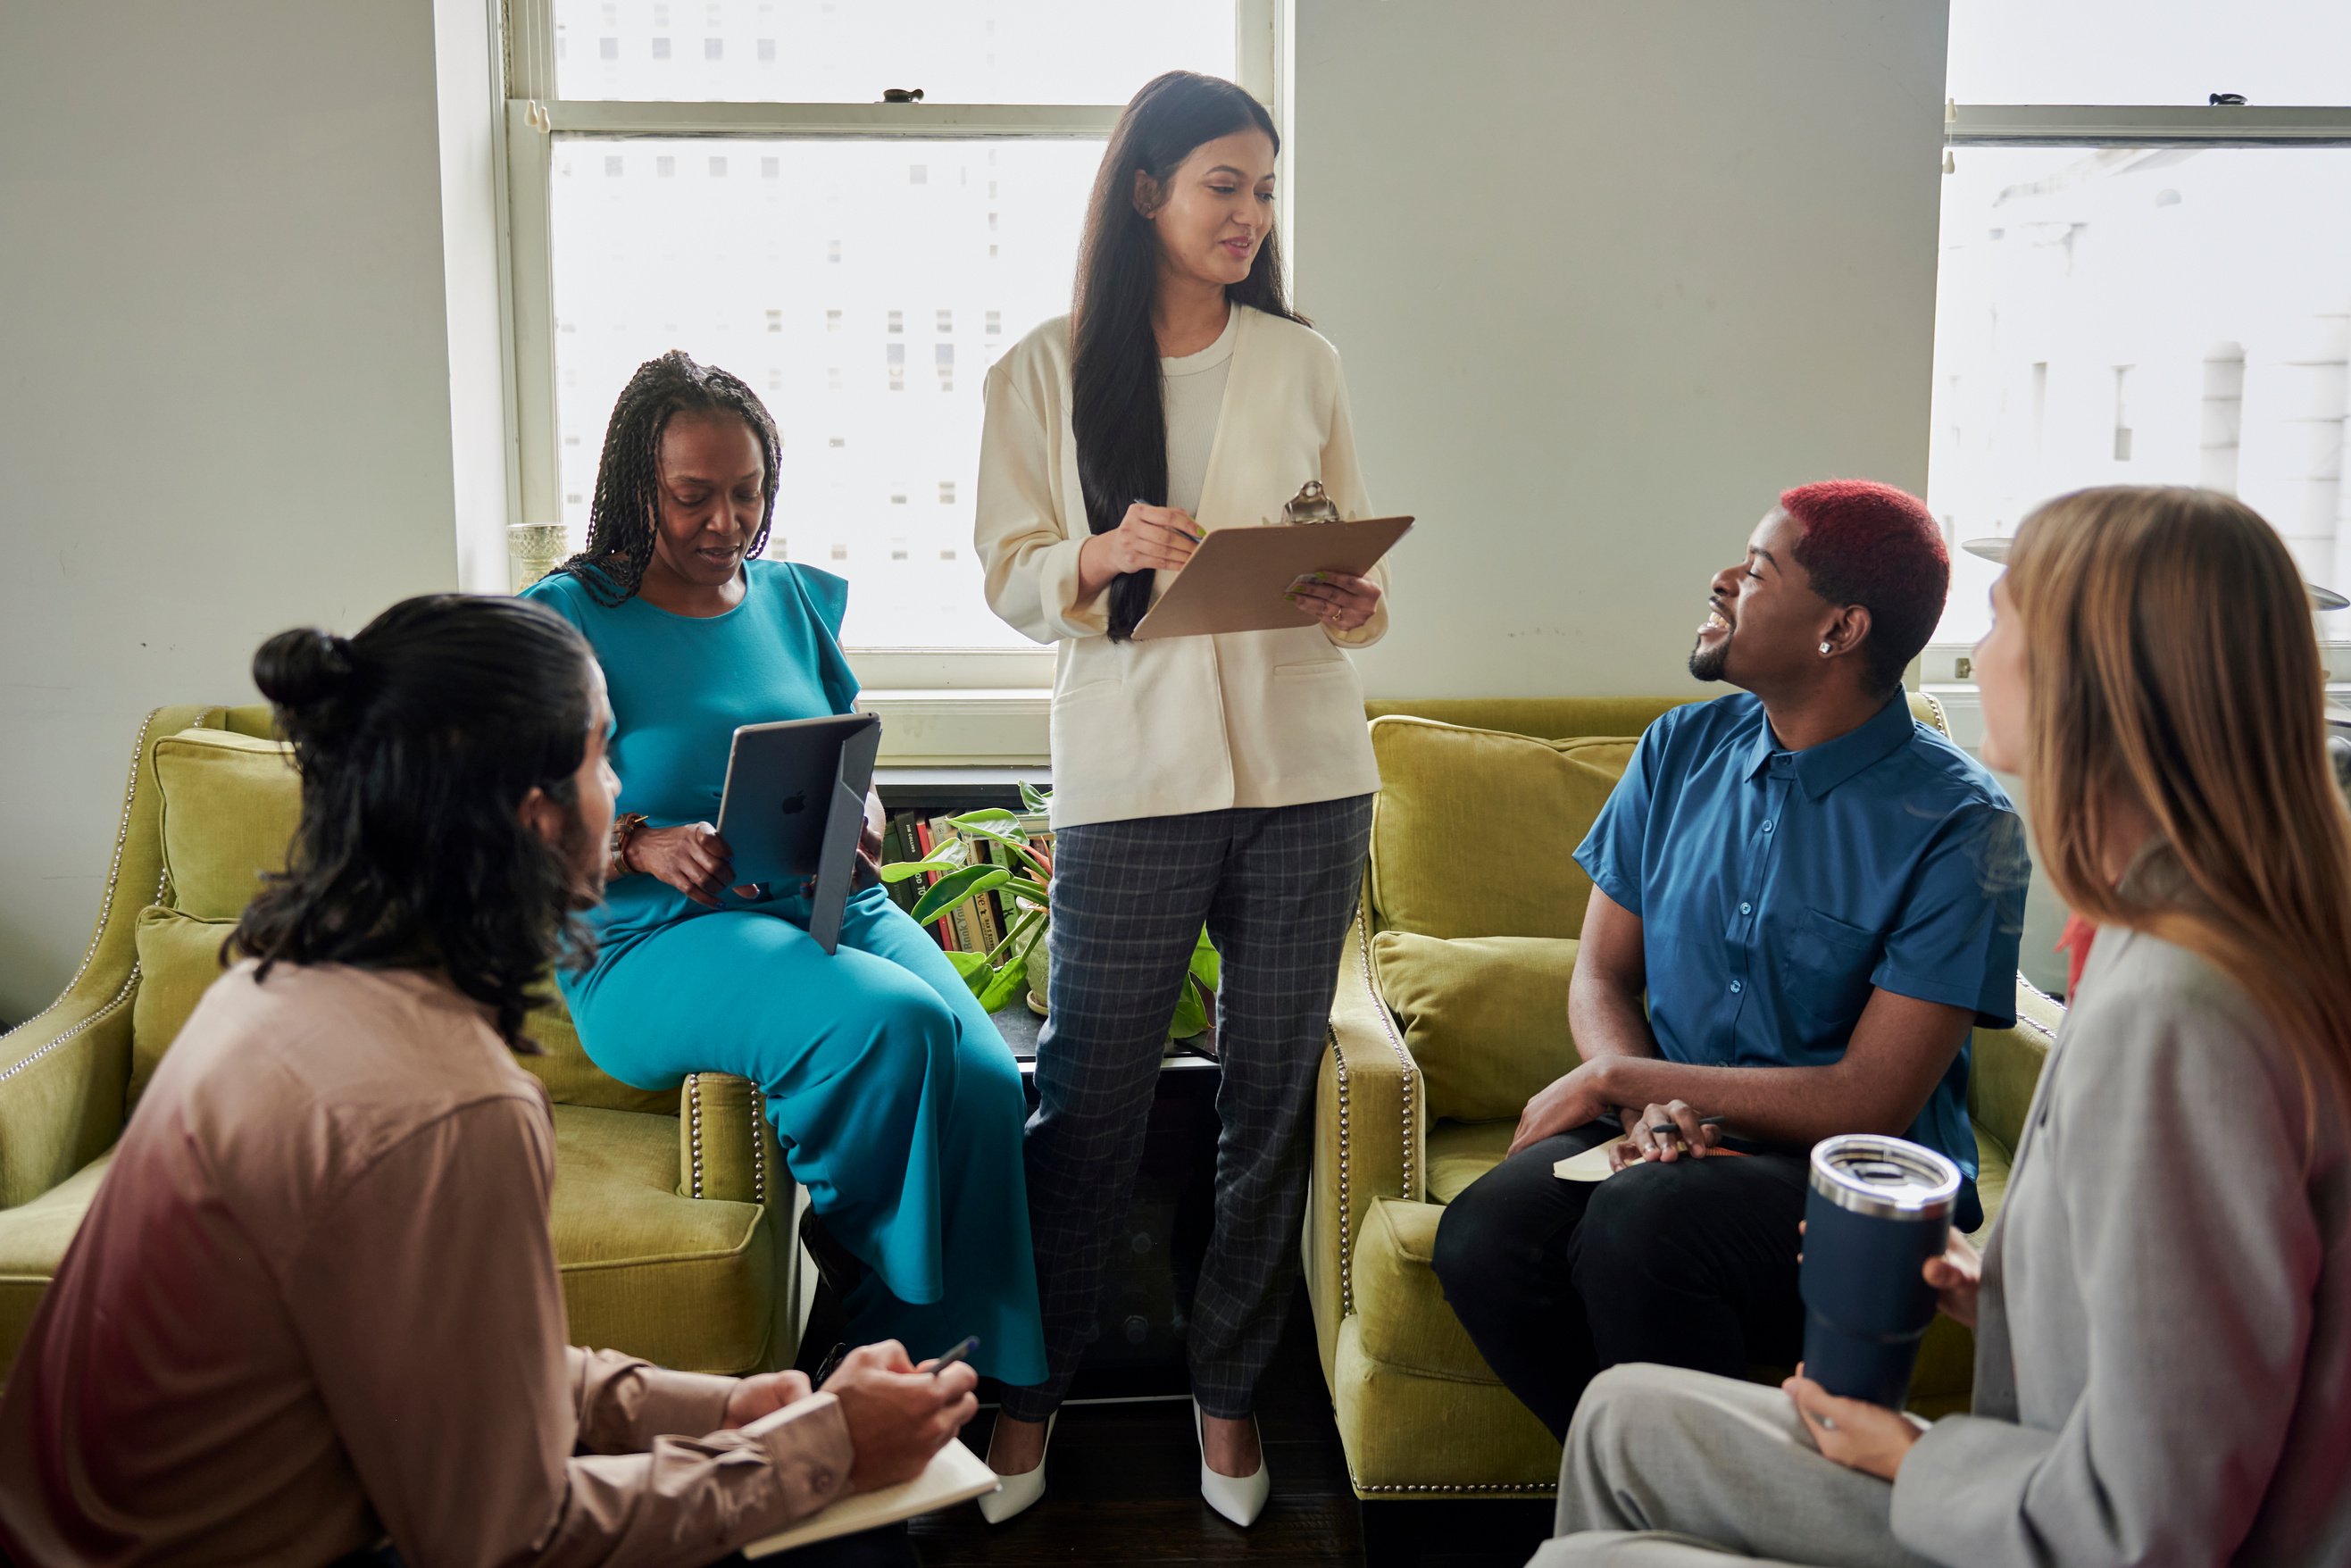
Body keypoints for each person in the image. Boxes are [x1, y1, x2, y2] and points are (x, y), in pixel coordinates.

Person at [0, 595, 977, 1567]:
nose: (620, 783)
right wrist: (824, 1444)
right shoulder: (450, 1109)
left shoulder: (278, 975)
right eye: (603, 754)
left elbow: (447, 1359)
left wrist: (720, 1406)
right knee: (855, 1544)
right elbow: (503, 1537)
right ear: (535, 818)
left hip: (77, 1530)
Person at [1533, 485, 2351, 1567]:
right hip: (2047, 1484)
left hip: (2067, 1521)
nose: (1975, 647)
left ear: (2098, 678)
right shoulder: (2154, 937)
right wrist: (1998, 1292)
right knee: (1618, 1417)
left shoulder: (2177, 1012)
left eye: (2004, 619)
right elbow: (2184, 1319)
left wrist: (1909, 1458)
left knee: (1582, 1561)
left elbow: (2153, 1523)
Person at [970, 70, 1388, 1526]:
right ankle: (1028, 1392)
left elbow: (1348, 580)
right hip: (1132, 780)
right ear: (1145, 191)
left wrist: (1347, 596)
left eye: (1264, 190)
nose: (1248, 214)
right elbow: (1011, 572)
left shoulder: (1303, 360)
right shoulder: (1041, 367)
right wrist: (1097, 554)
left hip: (1306, 774)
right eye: (1223, 184)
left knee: (1266, 1102)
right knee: (1085, 1102)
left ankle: (1227, 1390)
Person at [1430, 480, 2027, 1439]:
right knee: (1483, 1236)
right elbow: (1600, 973)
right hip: (1666, 1128)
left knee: (1641, 1227)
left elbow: (1869, 1095)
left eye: (1755, 570)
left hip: (1846, 1171)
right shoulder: (1676, 748)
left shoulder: (1960, 824)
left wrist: (1621, 1076)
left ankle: (1691, 1513)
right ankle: (1654, 1504)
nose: (1720, 581)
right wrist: (1641, 1104)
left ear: (1839, 630)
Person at [524, 351, 1046, 1390]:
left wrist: (864, 815)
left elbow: (848, 752)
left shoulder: (791, 599)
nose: (724, 522)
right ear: (638, 488)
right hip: (653, 940)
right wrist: (638, 841)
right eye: (692, 497)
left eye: (745, 493)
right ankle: (885, 1336)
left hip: (826, 896)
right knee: (893, 1030)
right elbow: (510, 802)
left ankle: (973, 1374)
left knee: (988, 1080)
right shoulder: (568, 615)